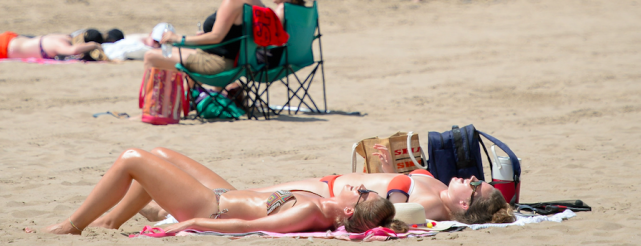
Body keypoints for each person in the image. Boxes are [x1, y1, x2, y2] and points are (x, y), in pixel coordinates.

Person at [26, 147, 402, 235]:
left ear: (351, 212)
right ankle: (108, 222)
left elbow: (248, 228)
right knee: (159, 156)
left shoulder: (312, 213)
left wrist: (189, 223)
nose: (363, 187)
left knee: (131, 160)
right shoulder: (328, 205)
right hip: (224, 192)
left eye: (364, 193)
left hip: (211, 204)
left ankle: (73, 226)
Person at [121, 148, 512, 227]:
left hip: (320, 193)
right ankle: (158, 206)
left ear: (464, 206)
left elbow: (395, 207)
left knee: (233, 198)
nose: (474, 179)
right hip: (323, 187)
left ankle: (159, 208)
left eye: (476, 188)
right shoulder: (439, 187)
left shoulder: (429, 205)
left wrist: (390, 189)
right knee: (232, 196)